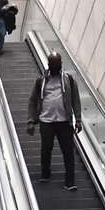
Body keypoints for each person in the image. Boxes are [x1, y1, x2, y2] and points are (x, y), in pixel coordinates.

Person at [27, 52, 83, 190]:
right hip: (46, 121)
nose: (56, 67)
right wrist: (31, 120)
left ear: (61, 65)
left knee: (68, 151)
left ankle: (70, 182)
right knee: (46, 149)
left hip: (64, 121)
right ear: (49, 65)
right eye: (53, 64)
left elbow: (75, 99)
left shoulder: (68, 79)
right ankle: (45, 173)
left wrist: (78, 119)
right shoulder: (41, 81)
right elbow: (33, 100)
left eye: (58, 64)